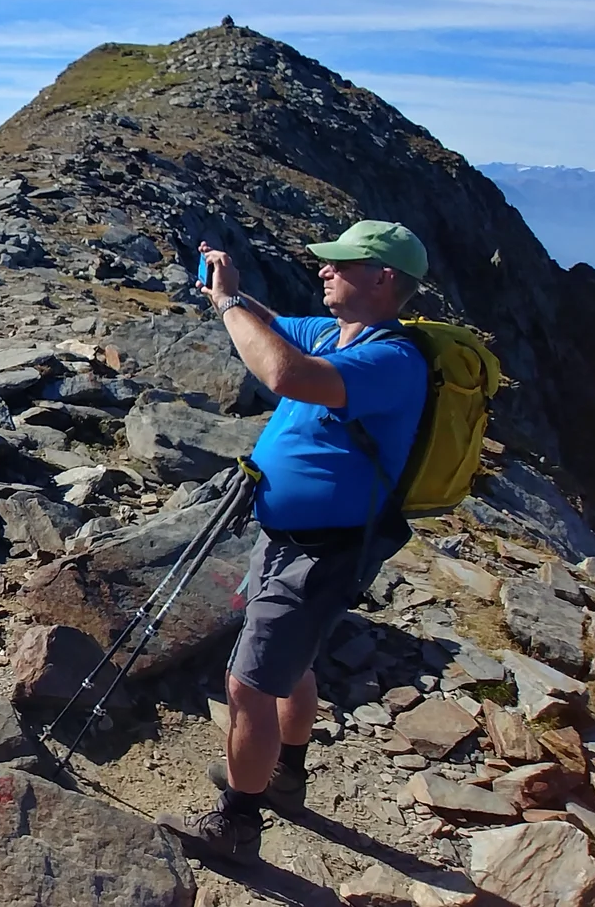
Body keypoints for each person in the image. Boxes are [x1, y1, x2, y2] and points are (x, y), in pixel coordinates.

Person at [156, 219, 431, 863]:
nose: (324, 269)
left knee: (248, 686)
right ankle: (287, 775)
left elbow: (283, 374)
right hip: (286, 535)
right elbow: (274, 324)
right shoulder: (333, 334)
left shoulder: (391, 359)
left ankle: (237, 824)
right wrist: (225, 287)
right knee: (293, 661)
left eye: (341, 263)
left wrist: (226, 305)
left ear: (384, 278)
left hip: (323, 551)